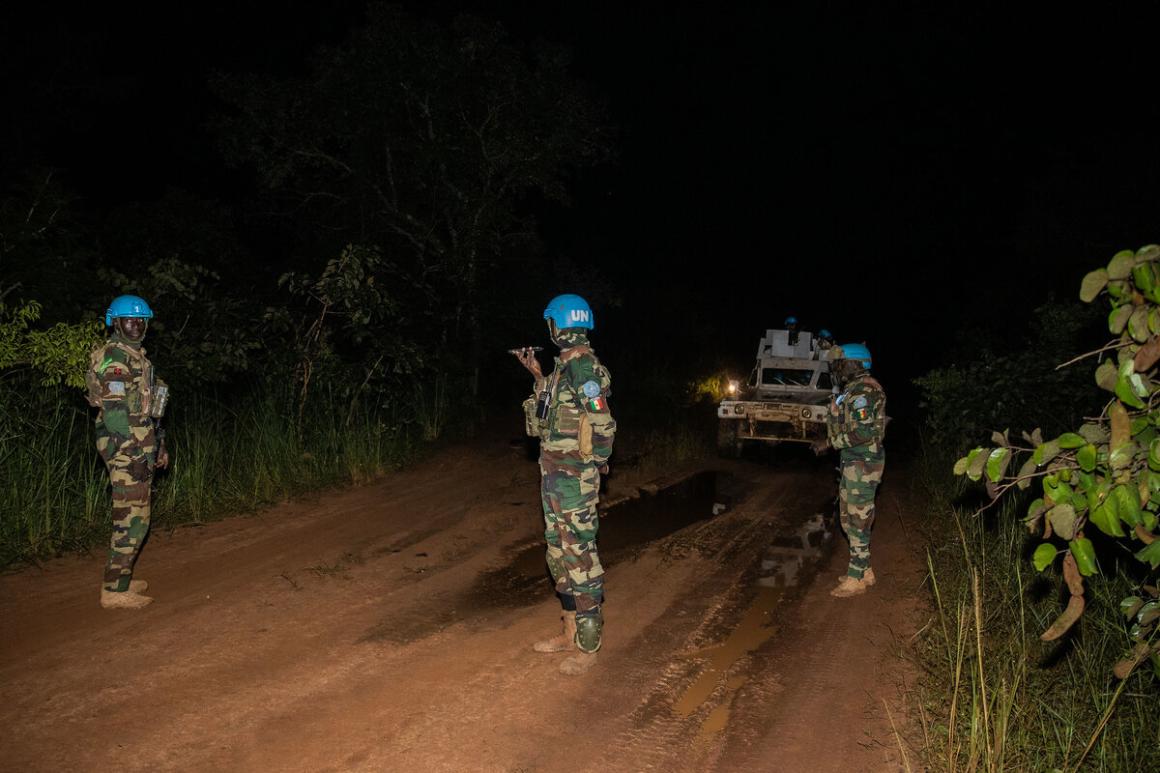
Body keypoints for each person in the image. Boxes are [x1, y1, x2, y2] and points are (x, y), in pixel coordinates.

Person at [515, 293, 616, 675]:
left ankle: (588, 647)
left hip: (574, 478)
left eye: (550, 324)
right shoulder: (562, 369)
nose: (549, 330)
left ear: (559, 325)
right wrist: (539, 377)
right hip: (554, 476)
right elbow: (541, 424)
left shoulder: (583, 368)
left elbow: (603, 421)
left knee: (580, 554)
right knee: (558, 550)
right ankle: (570, 631)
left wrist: (599, 461)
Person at [85, 295, 170, 609]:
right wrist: (133, 454)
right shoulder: (116, 360)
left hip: (139, 441)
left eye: (140, 320)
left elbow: (149, 411)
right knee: (132, 519)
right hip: (124, 446)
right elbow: (116, 415)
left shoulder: (137, 357)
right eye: (129, 320)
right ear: (115, 322)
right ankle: (114, 591)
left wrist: (158, 445)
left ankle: (120, 578)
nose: (135, 325)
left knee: (137, 516)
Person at [811, 343, 886, 598]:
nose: (838, 369)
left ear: (856, 364)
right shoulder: (851, 391)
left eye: (841, 364)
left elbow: (864, 432)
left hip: (863, 464)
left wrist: (830, 443)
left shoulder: (864, 391)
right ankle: (865, 570)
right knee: (849, 518)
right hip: (853, 463)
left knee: (857, 520)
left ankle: (855, 578)